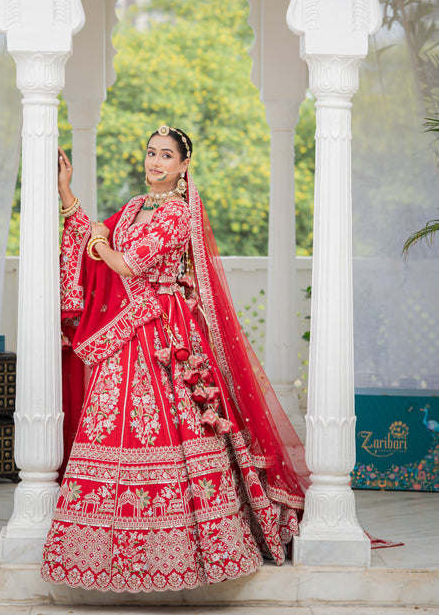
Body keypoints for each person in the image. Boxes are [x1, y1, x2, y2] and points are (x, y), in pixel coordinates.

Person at [41, 125, 308, 593]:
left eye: (166, 155)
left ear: (184, 166)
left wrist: (101, 242)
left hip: (164, 337)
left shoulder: (178, 214)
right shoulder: (133, 208)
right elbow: (95, 243)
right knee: (109, 426)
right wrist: (68, 195)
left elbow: (126, 263)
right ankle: (102, 552)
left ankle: (185, 549)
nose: (155, 162)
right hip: (126, 335)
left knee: (173, 430)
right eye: (150, 153)